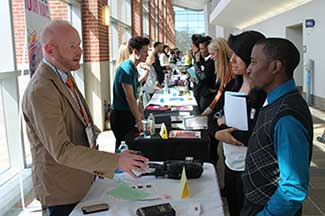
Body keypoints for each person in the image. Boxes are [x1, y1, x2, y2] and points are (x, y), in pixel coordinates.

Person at [22, 20, 149, 216]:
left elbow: (80, 121)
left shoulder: (64, 74)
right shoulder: (41, 90)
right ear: (50, 50)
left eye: (79, 44)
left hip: (84, 179)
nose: (79, 51)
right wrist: (114, 162)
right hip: (63, 191)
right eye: (72, 46)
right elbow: (61, 150)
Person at [241, 38, 314, 216]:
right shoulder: (274, 99)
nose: (249, 69)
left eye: (253, 62)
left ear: (275, 67)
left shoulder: (287, 116)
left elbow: (293, 188)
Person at [209, 31, 266, 216]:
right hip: (230, 164)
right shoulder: (233, 85)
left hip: (249, 170)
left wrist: (223, 126)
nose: (232, 60)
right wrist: (218, 133)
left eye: (237, 55)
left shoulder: (262, 94)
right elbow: (212, 119)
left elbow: (253, 134)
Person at [110, 36, 150, 148]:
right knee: (123, 148)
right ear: (135, 52)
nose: (147, 55)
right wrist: (139, 120)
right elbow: (130, 98)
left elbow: (137, 93)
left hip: (128, 113)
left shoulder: (134, 68)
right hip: (120, 115)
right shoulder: (126, 69)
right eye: (145, 52)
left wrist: (141, 114)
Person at [193, 35, 218, 112]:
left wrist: (197, 64)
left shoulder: (211, 62)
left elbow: (203, 77)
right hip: (204, 92)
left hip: (208, 94)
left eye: (202, 49)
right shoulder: (205, 60)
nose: (200, 51)